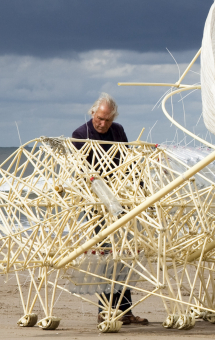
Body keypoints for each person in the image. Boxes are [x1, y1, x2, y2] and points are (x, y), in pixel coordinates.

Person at [72, 93, 149, 326]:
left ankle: (125, 311)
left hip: (119, 200)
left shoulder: (118, 131)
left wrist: (143, 190)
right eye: (99, 118)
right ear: (93, 113)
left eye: (107, 120)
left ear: (113, 118)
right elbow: (84, 172)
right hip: (96, 203)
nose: (102, 123)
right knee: (105, 256)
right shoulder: (80, 135)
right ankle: (105, 311)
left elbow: (128, 164)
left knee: (124, 255)